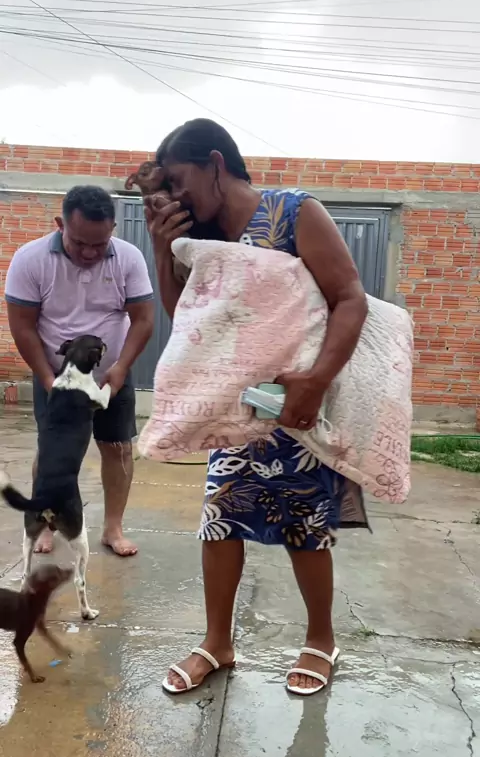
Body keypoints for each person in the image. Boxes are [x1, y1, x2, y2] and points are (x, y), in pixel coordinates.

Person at [145, 118, 368, 696]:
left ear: (216, 164)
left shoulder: (294, 213)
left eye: (179, 179)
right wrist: (163, 250)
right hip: (237, 408)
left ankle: (321, 639)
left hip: (297, 402)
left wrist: (316, 382)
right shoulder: (205, 236)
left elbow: (350, 298)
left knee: (306, 526)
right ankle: (217, 642)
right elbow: (188, 323)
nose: (175, 194)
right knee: (220, 518)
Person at [5, 185, 155, 557]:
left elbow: (143, 319)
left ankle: (113, 528)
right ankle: (46, 524)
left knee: (118, 448)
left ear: (113, 229)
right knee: (52, 452)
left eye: (99, 244)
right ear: (61, 225)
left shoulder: (128, 258)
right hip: (57, 375)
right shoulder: (31, 259)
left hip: (110, 375)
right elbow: (23, 326)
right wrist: (47, 378)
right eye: (79, 243)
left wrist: (121, 367)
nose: (89, 252)